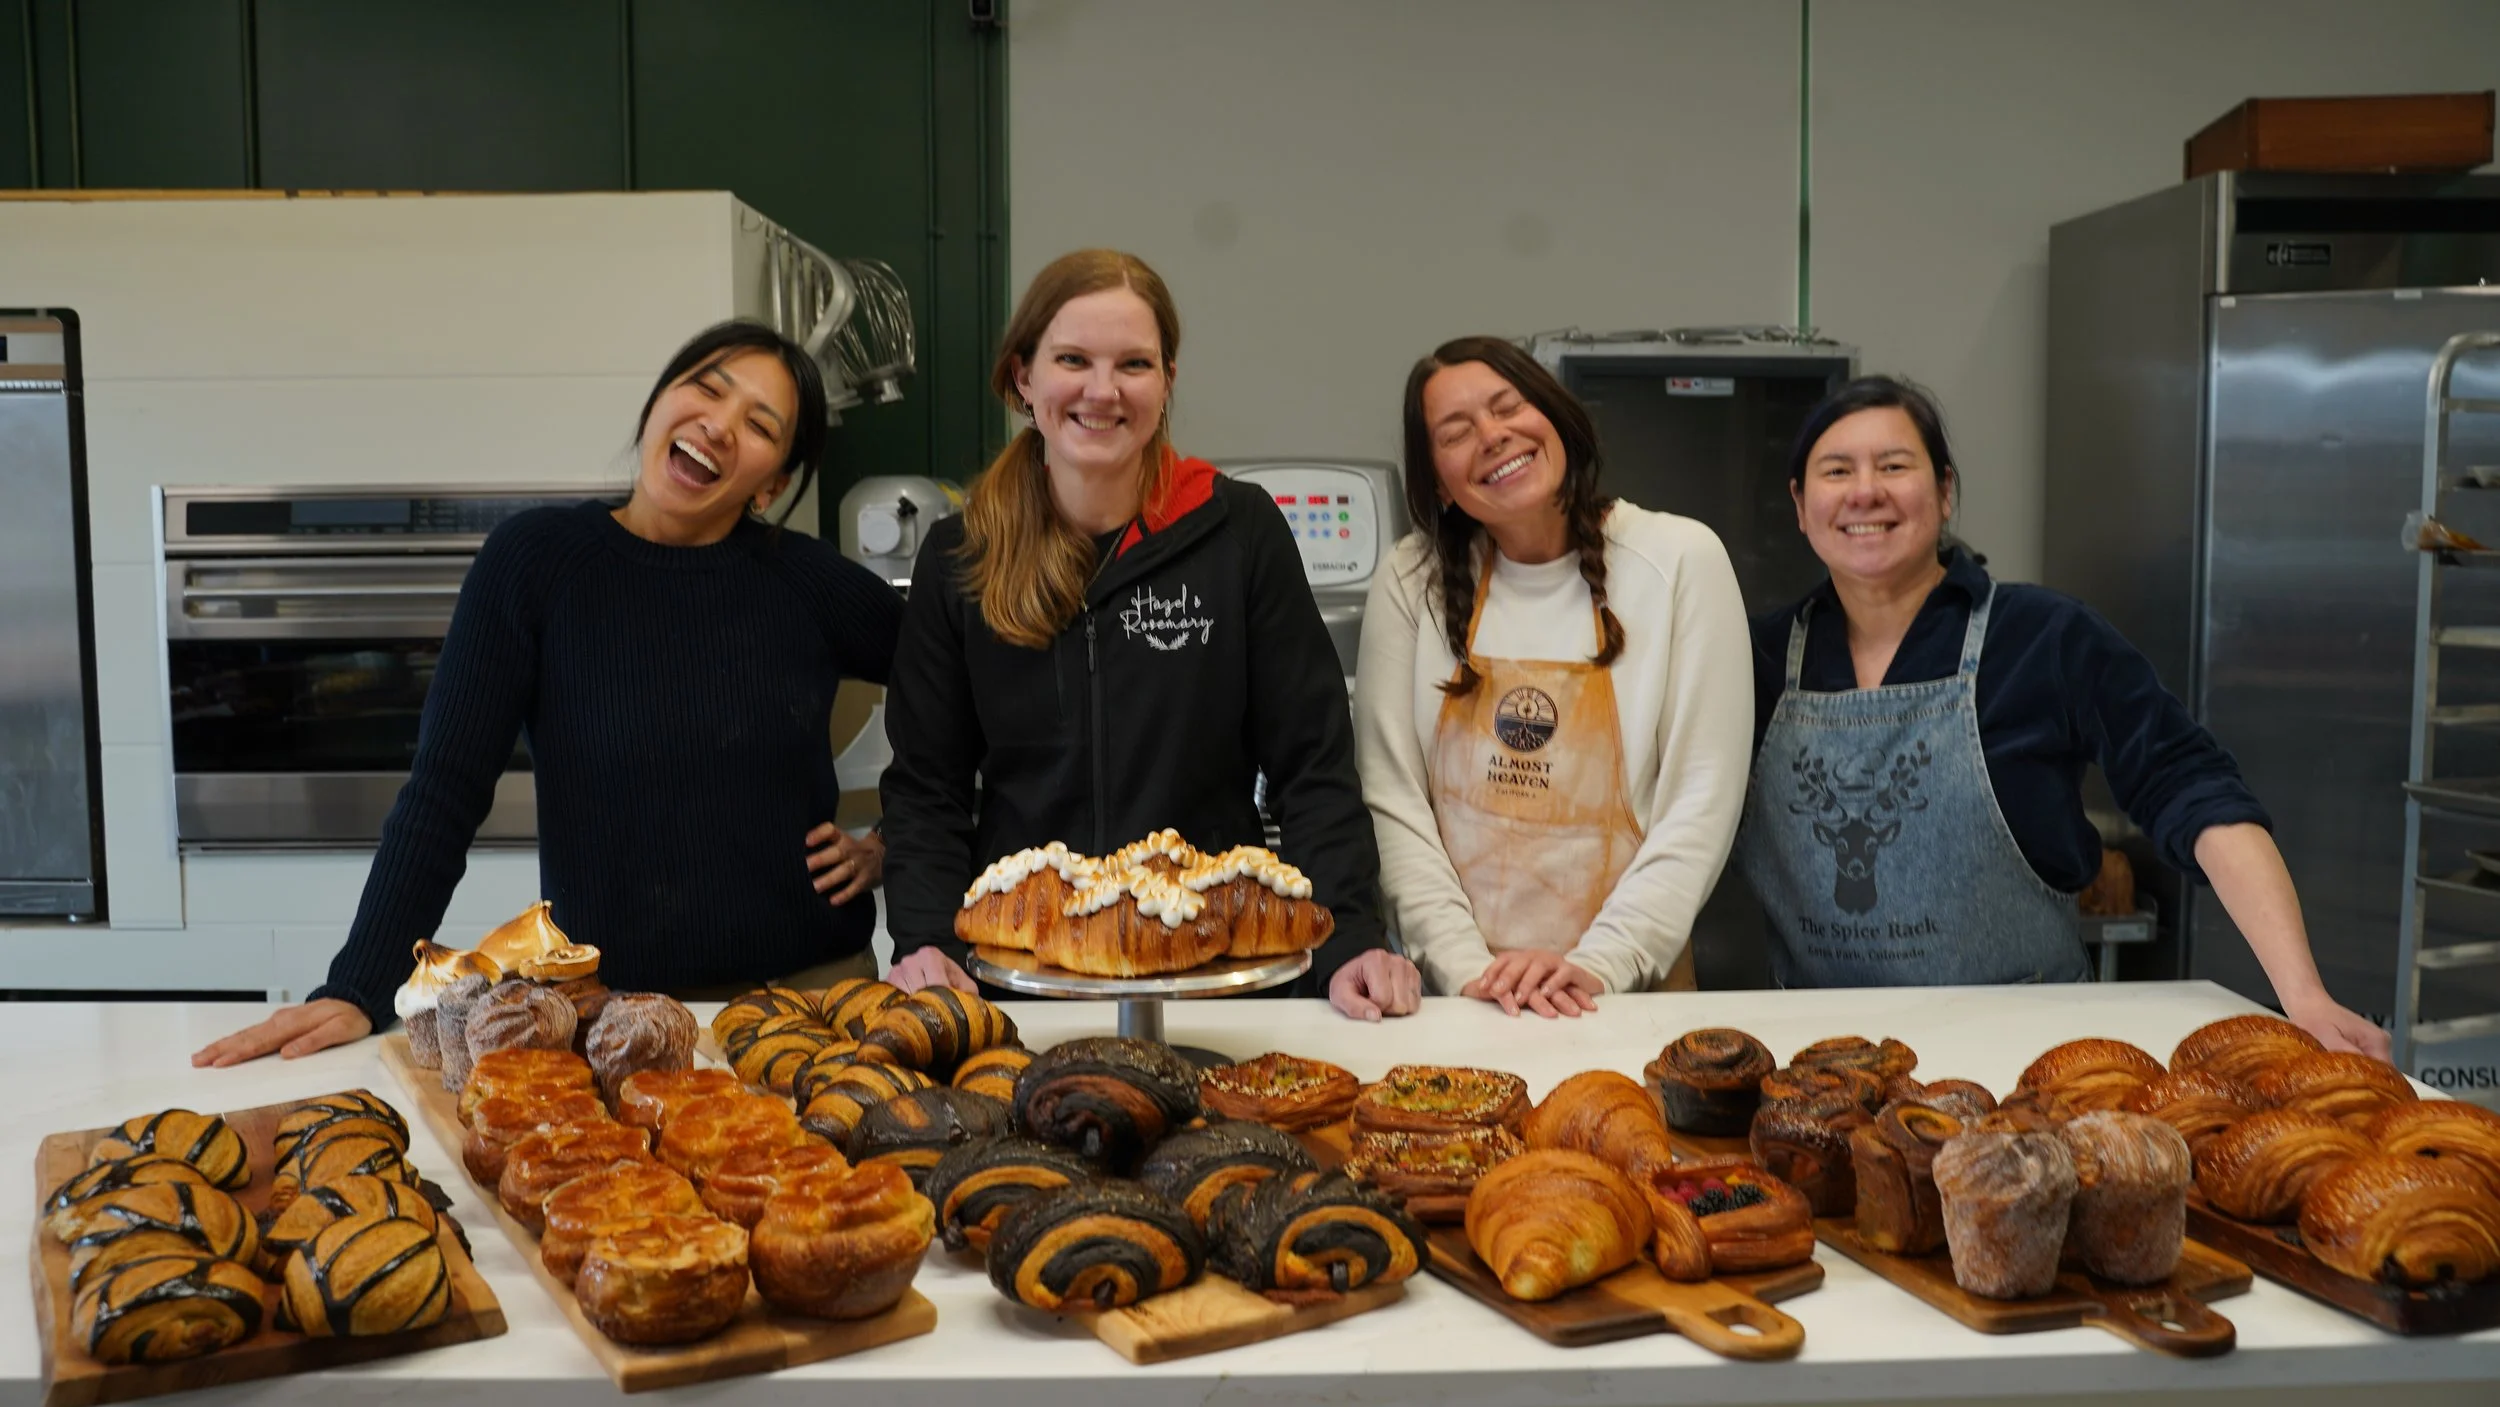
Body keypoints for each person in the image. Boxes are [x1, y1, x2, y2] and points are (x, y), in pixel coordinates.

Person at [193, 321, 904, 1066]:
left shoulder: (808, 583)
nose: (719, 425)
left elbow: (961, 691)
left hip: (810, 1005)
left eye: (760, 425)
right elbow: (445, 787)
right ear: (658, 403)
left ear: (773, 484)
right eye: (706, 387)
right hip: (606, 1019)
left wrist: (892, 841)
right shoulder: (535, 564)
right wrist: (357, 988)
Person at [1737, 375, 2387, 1056]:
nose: (1866, 491)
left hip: (2028, 1057)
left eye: (1895, 466)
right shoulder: (1753, 659)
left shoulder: (2046, 638)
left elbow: (2193, 790)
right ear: (1801, 505)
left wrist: (2304, 995)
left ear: (1945, 490)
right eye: (1837, 471)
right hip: (1817, 1067)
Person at [879, 249, 1419, 1020]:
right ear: (1023, 376)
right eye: (1073, 359)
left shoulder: (1238, 532)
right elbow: (926, 789)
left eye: (1133, 363)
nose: (1102, 390)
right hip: (1023, 984)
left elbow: (1314, 768)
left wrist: (1348, 940)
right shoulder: (962, 554)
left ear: (1166, 382)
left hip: (1216, 975)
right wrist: (926, 938)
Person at [1354, 337, 1752, 1019]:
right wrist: (1468, 972)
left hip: (1628, 998)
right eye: (1456, 432)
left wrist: (1599, 964)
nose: (1492, 436)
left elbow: (1701, 801)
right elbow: (1392, 801)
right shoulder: (1410, 579)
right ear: (1438, 481)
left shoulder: (1680, 559)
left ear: (1557, 418)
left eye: (1508, 407)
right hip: (1460, 1003)